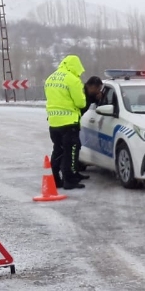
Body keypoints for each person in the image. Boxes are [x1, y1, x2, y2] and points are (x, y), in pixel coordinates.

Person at [44, 55, 87, 190]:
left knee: (58, 150)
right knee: (71, 152)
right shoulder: (72, 80)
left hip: (53, 122)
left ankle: (55, 179)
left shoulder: (50, 78)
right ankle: (70, 180)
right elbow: (80, 103)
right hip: (69, 122)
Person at [72, 76, 105, 178]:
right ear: (91, 86)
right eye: (98, 89)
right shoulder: (80, 92)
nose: (98, 91)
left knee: (75, 146)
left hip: (76, 120)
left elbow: (97, 104)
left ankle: (74, 171)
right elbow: (81, 104)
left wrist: (99, 98)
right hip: (70, 121)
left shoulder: (91, 95)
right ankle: (71, 173)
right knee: (72, 147)